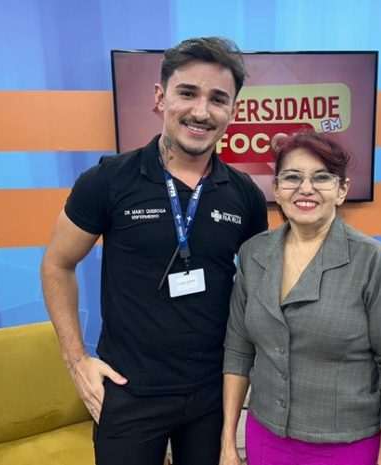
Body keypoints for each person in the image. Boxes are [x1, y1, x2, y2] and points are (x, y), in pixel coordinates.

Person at [41, 37, 268, 465]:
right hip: (129, 390)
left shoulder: (245, 196)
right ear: (161, 97)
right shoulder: (108, 181)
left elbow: (258, 288)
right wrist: (76, 360)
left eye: (218, 99)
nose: (201, 111)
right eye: (188, 93)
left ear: (233, 111)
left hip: (212, 393)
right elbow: (57, 263)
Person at [219, 131, 381, 465]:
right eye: (292, 177)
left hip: (346, 448)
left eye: (322, 177)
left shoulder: (376, 263)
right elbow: (238, 351)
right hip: (265, 438)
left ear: (342, 190)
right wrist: (228, 442)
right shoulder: (253, 254)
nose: (306, 188)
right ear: (276, 188)